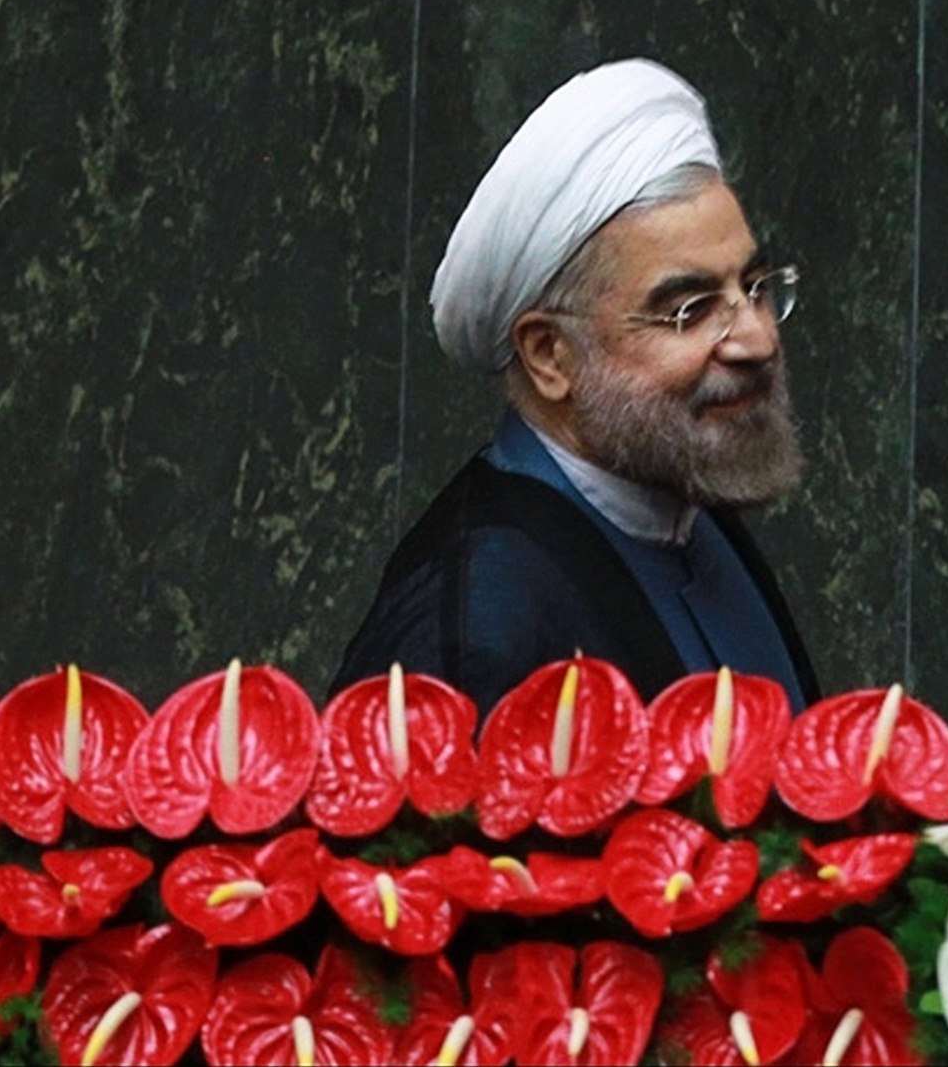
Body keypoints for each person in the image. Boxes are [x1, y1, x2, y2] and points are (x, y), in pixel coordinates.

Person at [330, 59, 821, 716]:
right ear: (549, 355)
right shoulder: (481, 625)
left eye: (755, 287)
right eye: (690, 310)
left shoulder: (683, 494)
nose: (757, 339)